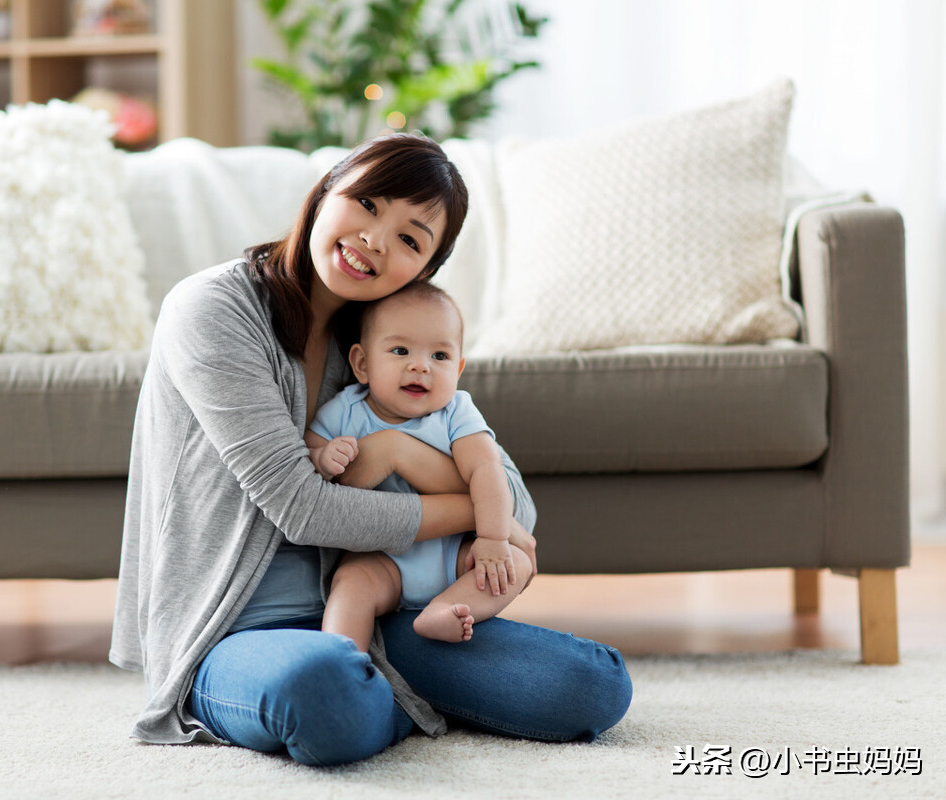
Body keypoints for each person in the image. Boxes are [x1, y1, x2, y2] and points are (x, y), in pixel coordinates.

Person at [109, 133, 632, 767]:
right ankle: (392, 701)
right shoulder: (213, 309)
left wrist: (400, 455)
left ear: (423, 272)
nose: (376, 241)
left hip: (379, 621)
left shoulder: (390, 344)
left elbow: (518, 510)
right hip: (234, 631)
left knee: (593, 686)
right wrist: (474, 512)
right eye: (369, 203)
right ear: (328, 188)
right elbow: (305, 511)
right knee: (327, 691)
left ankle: (386, 696)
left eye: (411, 240)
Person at [307, 281, 533, 650]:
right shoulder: (347, 410)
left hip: (454, 554)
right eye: (400, 350)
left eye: (439, 357)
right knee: (350, 585)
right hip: (382, 560)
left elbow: (485, 469)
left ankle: (444, 610)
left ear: (458, 369)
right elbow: (310, 450)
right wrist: (322, 456)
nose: (420, 366)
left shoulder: (455, 412)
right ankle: (342, 662)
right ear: (362, 364)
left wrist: (493, 539)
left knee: (517, 564)